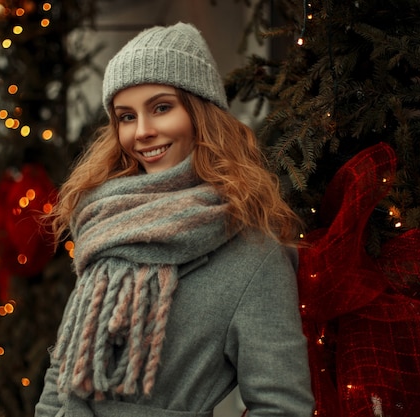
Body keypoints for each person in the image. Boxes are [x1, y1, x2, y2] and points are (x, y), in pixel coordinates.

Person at [35, 22, 314, 417]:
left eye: (161, 108)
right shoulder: (105, 222)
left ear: (201, 114)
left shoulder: (254, 254)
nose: (143, 132)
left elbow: (282, 406)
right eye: (126, 117)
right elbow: (61, 376)